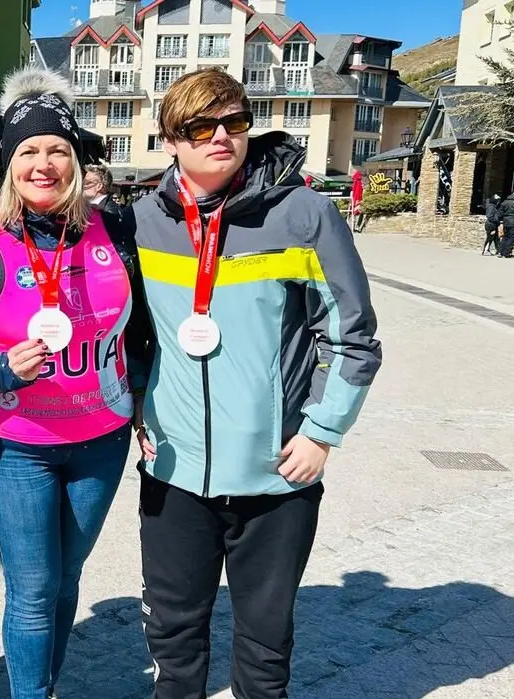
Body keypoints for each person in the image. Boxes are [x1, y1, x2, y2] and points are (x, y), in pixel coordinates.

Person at [129, 68, 382, 699]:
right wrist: (137, 412)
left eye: (235, 122)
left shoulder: (304, 215)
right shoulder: (141, 222)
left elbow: (353, 336)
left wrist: (322, 432)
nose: (222, 137)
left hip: (276, 473)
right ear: (170, 139)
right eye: (201, 127)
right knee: (173, 639)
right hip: (174, 471)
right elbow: (127, 334)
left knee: (265, 646)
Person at [0, 67, 150, 699]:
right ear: (9, 164)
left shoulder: (117, 231)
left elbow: (141, 330)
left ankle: (48, 686)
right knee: (33, 591)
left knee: (66, 582)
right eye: (28, 151)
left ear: (75, 159)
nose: (43, 163)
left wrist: (141, 402)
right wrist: (6, 368)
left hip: (102, 437)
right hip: (17, 444)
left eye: (57, 149)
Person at [498, 192, 514, 257]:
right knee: (512, 237)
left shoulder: (504, 202)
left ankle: (500, 252)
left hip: (506, 221)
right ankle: (507, 253)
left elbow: (500, 213)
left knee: (505, 236)